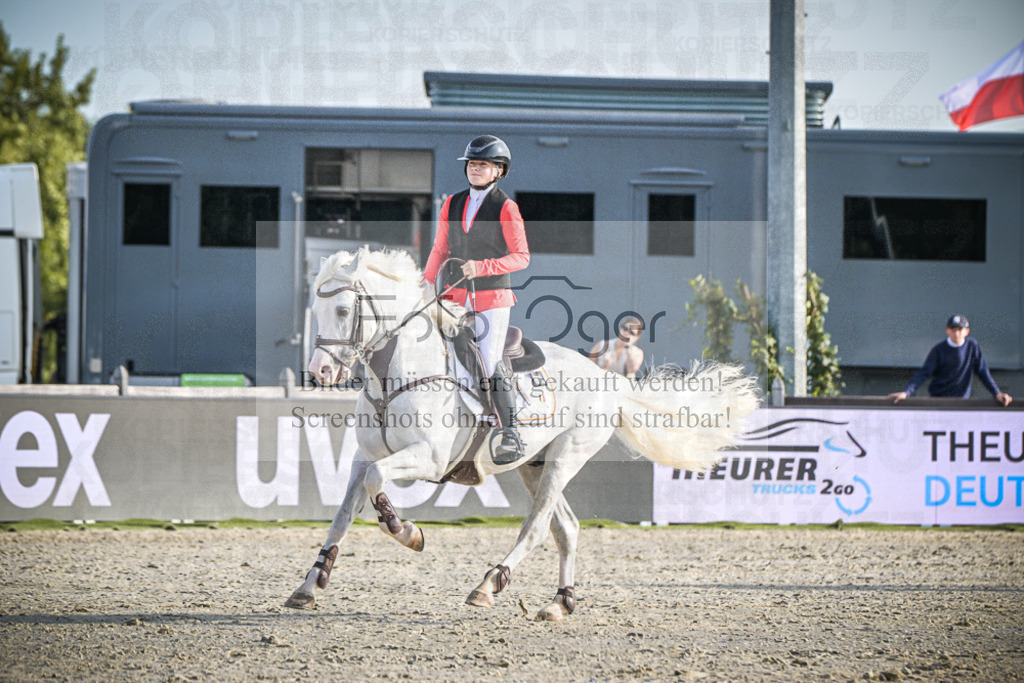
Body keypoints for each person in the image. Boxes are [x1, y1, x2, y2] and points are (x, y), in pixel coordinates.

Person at [422, 135, 531, 464]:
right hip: (454, 295)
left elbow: (521, 257)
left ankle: (510, 433)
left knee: (487, 357)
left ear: (498, 171)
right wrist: (426, 283)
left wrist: (483, 267)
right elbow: (440, 248)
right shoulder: (451, 203)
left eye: (482, 164)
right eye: (471, 163)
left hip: (492, 299)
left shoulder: (506, 207)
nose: (474, 169)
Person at [888, 314, 1013, 406]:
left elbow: (983, 372)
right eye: (953, 329)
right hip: (938, 402)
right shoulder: (939, 350)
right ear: (947, 331)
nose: (956, 333)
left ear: (966, 331)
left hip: (962, 403)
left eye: (960, 329)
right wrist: (906, 392)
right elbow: (924, 373)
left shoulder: (972, 347)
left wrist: (997, 393)